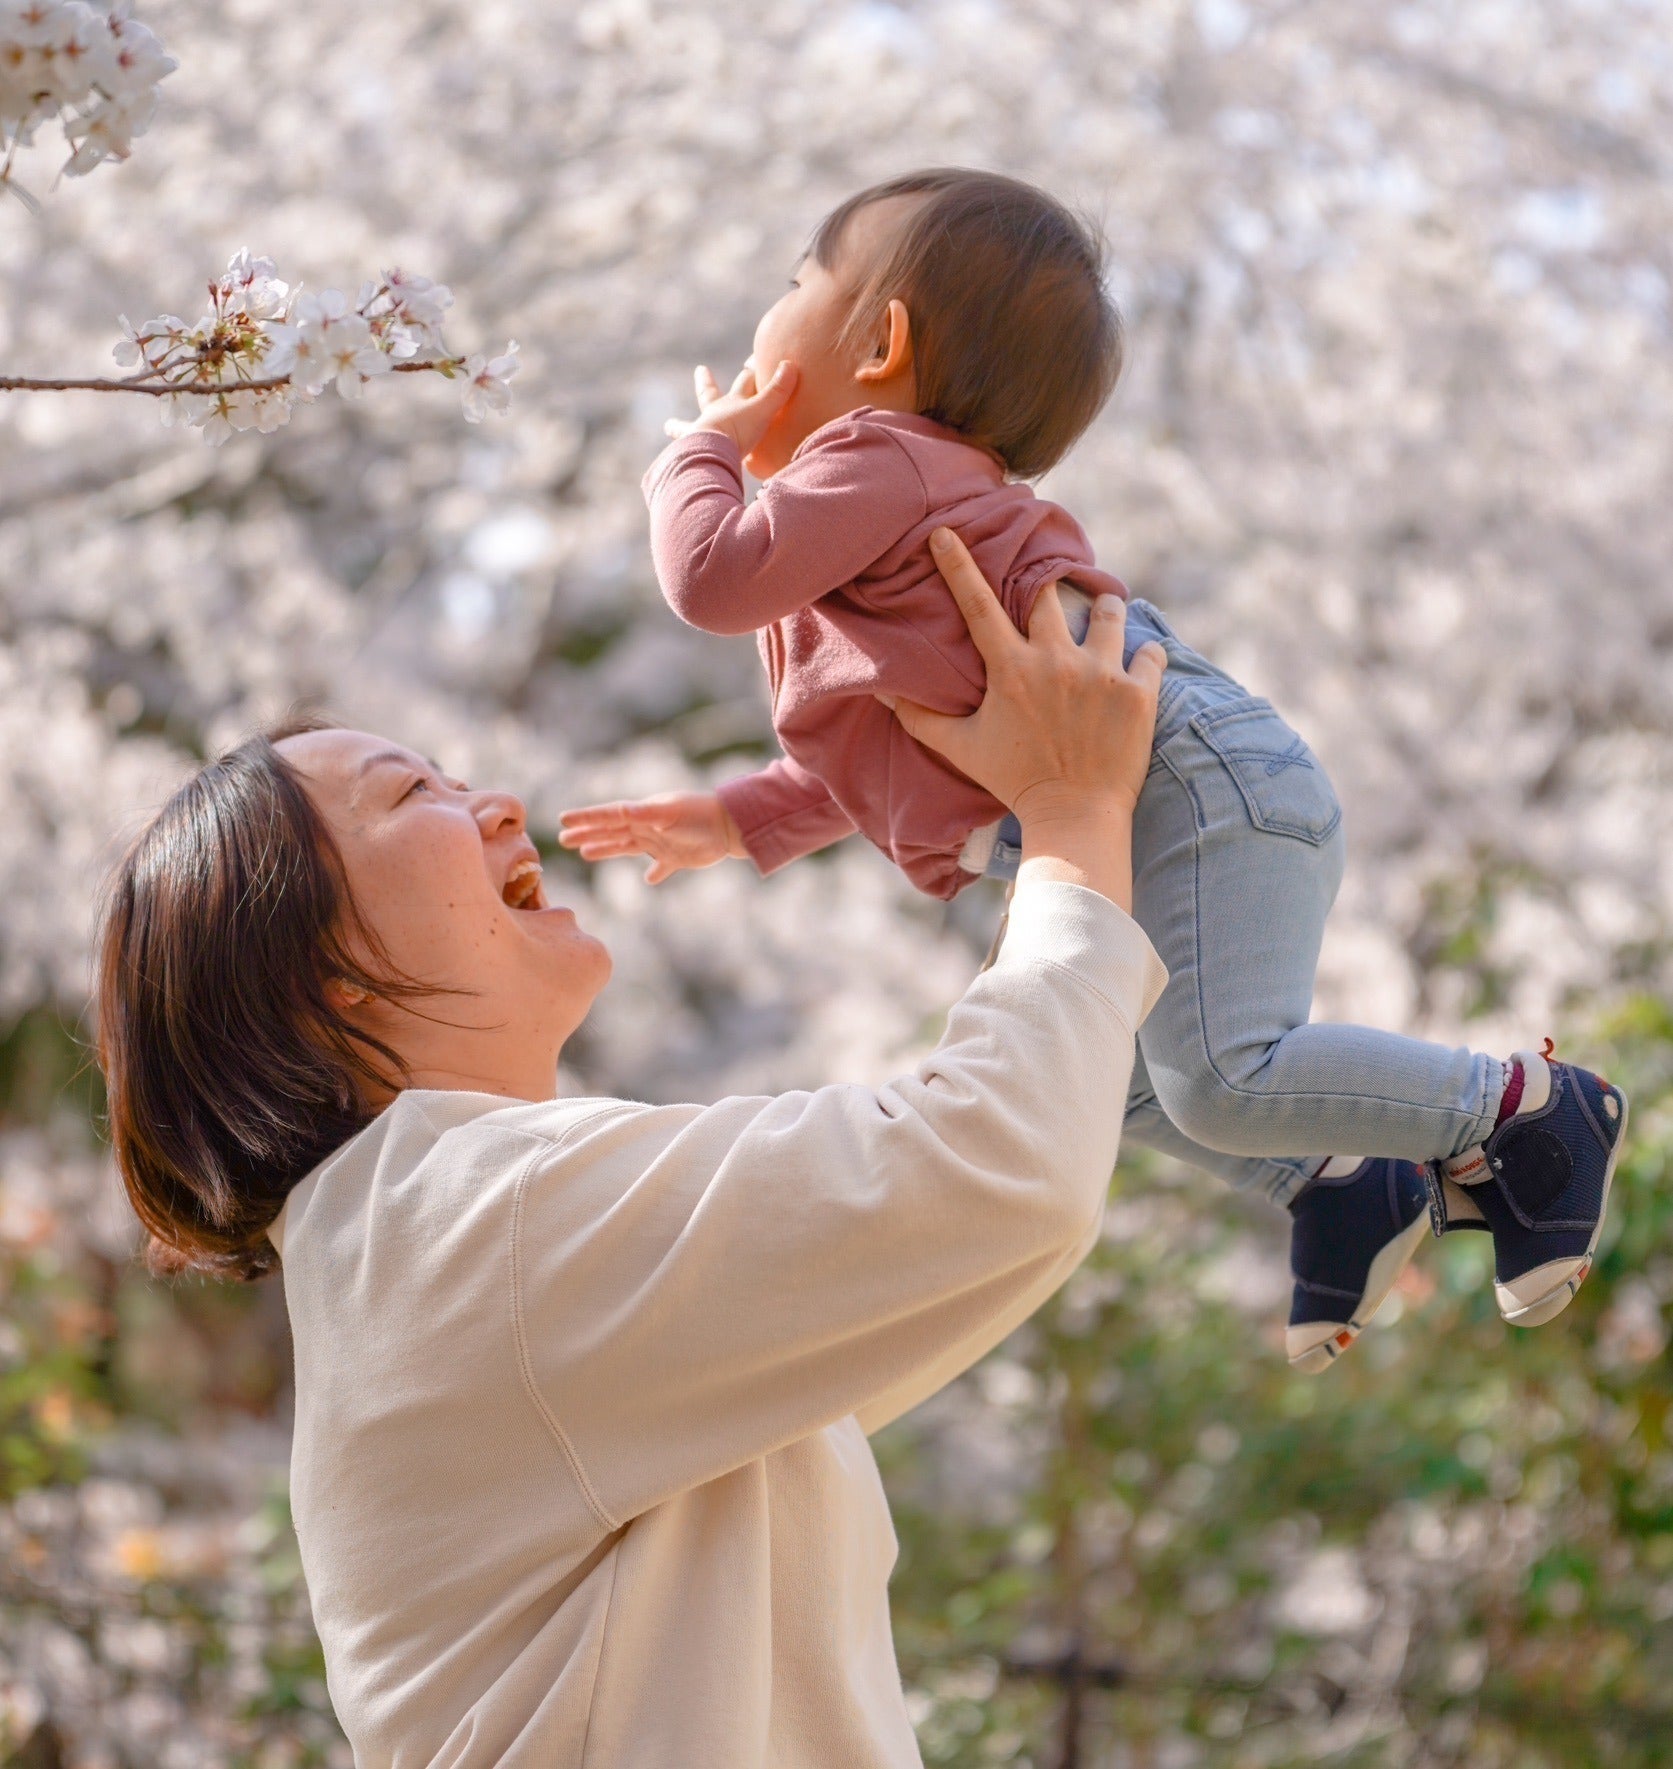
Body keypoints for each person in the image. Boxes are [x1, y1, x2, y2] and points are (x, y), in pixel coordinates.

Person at [96, 539, 1168, 1766]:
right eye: (408, 797)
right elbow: (990, 1169)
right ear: (319, 976)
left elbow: (933, 1230)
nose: (497, 803)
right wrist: (1072, 810)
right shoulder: (473, 1220)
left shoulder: (431, 1235)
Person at [560, 167, 1628, 1370]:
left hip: (1192, 783)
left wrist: (698, 452)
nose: (768, 310)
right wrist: (734, 816)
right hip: (1169, 792)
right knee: (1094, 1075)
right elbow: (896, 744)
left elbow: (708, 578)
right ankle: (1342, 1183)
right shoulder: (893, 517)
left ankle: (1524, 1109)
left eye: (795, 278)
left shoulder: (878, 457)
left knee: (1215, 1076)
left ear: (881, 343)